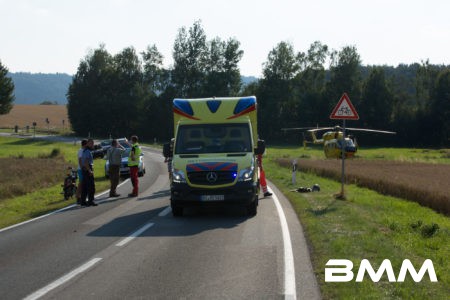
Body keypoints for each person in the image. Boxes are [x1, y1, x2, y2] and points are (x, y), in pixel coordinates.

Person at [80, 138, 97, 206]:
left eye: (93, 143)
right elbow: (86, 162)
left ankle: (83, 201)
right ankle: (90, 201)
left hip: (85, 169)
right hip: (88, 169)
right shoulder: (87, 151)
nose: (93, 144)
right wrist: (89, 170)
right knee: (91, 186)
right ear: (88, 144)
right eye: (91, 143)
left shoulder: (85, 151)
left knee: (84, 186)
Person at [76, 139, 87, 205]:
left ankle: (82, 197)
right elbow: (80, 160)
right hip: (81, 169)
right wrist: (82, 168)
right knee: (81, 183)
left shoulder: (84, 151)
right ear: (85, 144)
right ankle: (78, 197)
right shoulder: (81, 151)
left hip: (83, 168)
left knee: (83, 183)